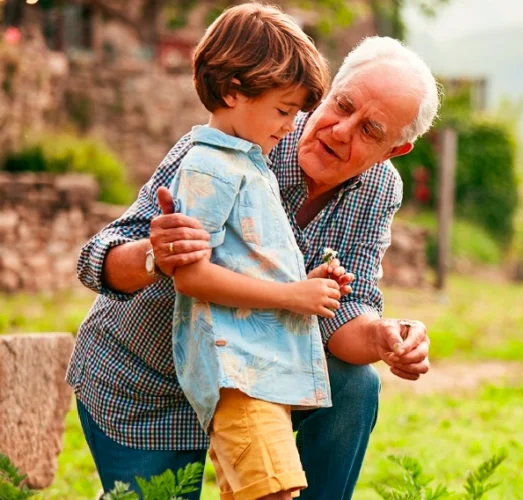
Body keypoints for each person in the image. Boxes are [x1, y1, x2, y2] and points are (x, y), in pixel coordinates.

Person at [68, 31, 441, 500]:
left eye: (370, 130)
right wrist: (155, 256)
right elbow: (97, 258)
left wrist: (385, 338)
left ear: (393, 151)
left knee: (354, 385)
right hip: (150, 377)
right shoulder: (232, 141)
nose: (342, 131)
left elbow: (346, 311)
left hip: (258, 377)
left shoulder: (378, 188)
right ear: (325, 92)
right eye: (343, 106)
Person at [164, 5, 343, 499]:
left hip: (260, 370)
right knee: (274, 494)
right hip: (238, 374)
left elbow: (247, 260)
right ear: (232, 92)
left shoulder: (248, 163)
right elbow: (191, 277)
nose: (290, 126)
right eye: (283, 111)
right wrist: (293, 296)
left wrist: (314, 284)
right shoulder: (208, 167)